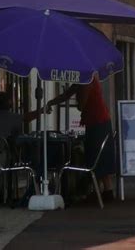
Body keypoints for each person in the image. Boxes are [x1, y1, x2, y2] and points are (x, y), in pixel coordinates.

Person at [46, 74, 115, 202]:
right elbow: (66, 94)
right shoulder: (82, 79)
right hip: (97, 121)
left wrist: (79, 102)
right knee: (98, 157)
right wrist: (51, 102)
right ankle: (103, 191)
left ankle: (103, 191)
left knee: (96, 157)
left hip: (97, 122)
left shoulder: (86, 79)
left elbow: (82, 104)